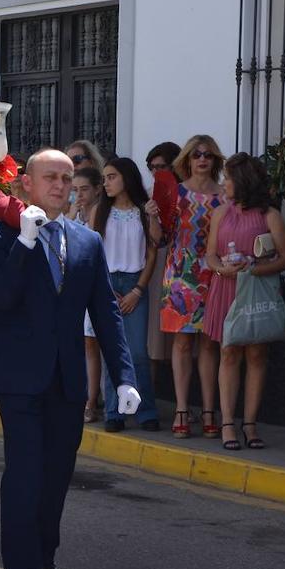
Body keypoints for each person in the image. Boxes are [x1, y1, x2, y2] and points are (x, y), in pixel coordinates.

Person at [0, 148, 139, 569]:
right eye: (49, 177)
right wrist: (25, 242)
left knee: (55, 480)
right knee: (24, 478)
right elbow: (2, 299)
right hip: (20, 379)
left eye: (67, 178)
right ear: (24, 184)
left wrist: (125, 377)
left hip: (68, 381)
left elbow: (107, 316)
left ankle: (45, 562)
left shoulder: (86, 241)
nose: (59, 185)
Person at [203, 153, 285, 451]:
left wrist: (254, 269)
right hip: (226, 288)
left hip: (255, 291)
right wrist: (221, 268)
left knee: (256, 355)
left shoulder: (270, 215)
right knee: (228, 354)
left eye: (227, 178)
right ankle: (228, 422)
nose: (223, 183)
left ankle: (250, 423)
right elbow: (210, 255)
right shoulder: (220, 213)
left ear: (242, 181)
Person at [160, 135, 225, 438]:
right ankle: (182, 409)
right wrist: (152, 216)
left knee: (211, 343)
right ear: (187, 159)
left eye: (208, 155)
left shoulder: (225, 196)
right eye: (197, 154)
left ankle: (209, 409)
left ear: (215, 160)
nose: (202, 159)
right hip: (180, 273)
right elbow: (159, 235)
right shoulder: (175, 193)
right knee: (183, 343)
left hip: (213, 274)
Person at [93, 157, 163, 432]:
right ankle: (114, 411)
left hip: (135, 281)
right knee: (112, 349)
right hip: (107, 281)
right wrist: (105, 289)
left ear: (126, 178)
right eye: (104, 178)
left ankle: (146, 410)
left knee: (137, 352)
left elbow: (153, 248)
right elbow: (93, 251)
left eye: (111, 177)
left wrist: (138, 290)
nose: (106, 183)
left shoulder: (143, 211)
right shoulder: (101, 211)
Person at [70, 165, 104, 421]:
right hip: (76, 286)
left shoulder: (102, 214)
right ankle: (87, 397)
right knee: (86, 343)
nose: (79, 195)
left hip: (98, 283)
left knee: (97, 342)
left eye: (84, 189)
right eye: (75, 190)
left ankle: (94, 400)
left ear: (96, 190)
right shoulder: (73, 214)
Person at [144, 141, 181, 364]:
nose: (156, 172)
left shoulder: (187, 193)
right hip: (158, 260)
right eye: (152, 167)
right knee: (154, 329)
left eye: (162, 166)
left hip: (183, 261)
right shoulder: (148, 195)